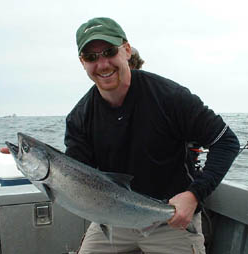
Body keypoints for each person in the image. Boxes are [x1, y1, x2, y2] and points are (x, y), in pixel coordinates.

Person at [64, 17, 239, 254]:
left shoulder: (170, 97)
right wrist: (39, 164)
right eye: (91, 57)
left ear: (126, 50)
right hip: (113, 218)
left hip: (171, 219)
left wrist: (194, 195)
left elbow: (225, 141)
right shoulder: (79, 117)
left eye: (109, 51)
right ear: (82, 62)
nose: (102, 64)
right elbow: (77, 172)